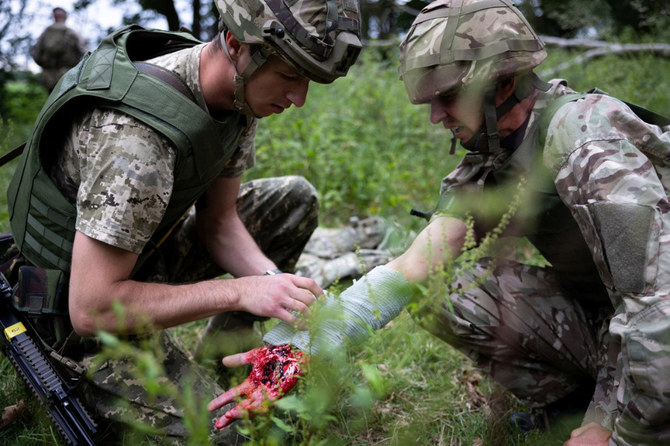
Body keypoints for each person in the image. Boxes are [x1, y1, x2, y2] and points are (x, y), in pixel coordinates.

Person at [211, 1, 670, 445]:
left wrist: (620, 433)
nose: (435, 117)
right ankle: (575, 408)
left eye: (448, 98)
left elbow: (657, 306)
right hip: (620, 319)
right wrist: (310, 340)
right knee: (445, 289)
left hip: (655, 321)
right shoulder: (498, 155)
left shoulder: (587, 142)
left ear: (504, 83)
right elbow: (413, 268)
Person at [4, 0, 362, 443]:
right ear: (236, 44)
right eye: (290, 76)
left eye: (309, 80)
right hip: (74, 304)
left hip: (142, 252)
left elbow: (220, 223)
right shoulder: (136, 138)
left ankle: (223, 355)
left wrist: (275, 287)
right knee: (238, 436)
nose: (299, 98)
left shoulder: (235, 94)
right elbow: (91, 310)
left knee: (293, 199)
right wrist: (240, 290)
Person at [30, 7, 88, 92]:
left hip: (48, 77)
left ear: (53, 16)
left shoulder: (45, 33)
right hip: (69, 76)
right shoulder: (73, 33)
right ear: (65, 17)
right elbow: (85, 52)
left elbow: (36, 54)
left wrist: (46, 67)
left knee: (52, 102)